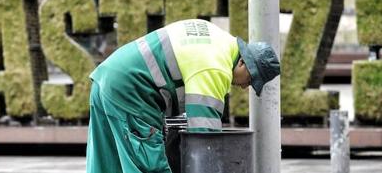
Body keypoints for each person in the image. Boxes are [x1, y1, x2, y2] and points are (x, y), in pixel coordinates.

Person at [86, 19, 280, 173]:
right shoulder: (216, 67)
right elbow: (206, 141)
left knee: (107, 164)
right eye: (251, 79)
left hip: (108, 76)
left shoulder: (217, 38)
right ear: (243, 63)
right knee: (149, 165)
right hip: (132, 91)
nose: (246, 86)